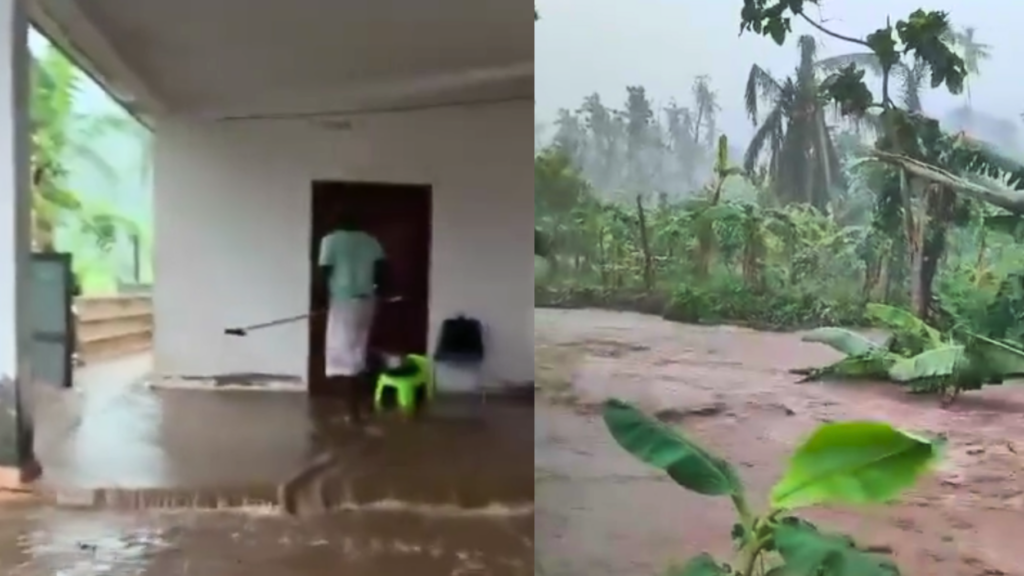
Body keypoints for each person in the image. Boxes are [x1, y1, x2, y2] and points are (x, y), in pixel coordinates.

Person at [317, 208, 395, 426]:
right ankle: (361, 406)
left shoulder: (330, 241)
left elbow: (324, 274)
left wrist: (321, 303)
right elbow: (382, 271)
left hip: (343, 302)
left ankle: (352, 413)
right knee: (358, 351)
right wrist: (379, 293)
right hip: (367, 302)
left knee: (344, 357)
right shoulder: (370, 241)